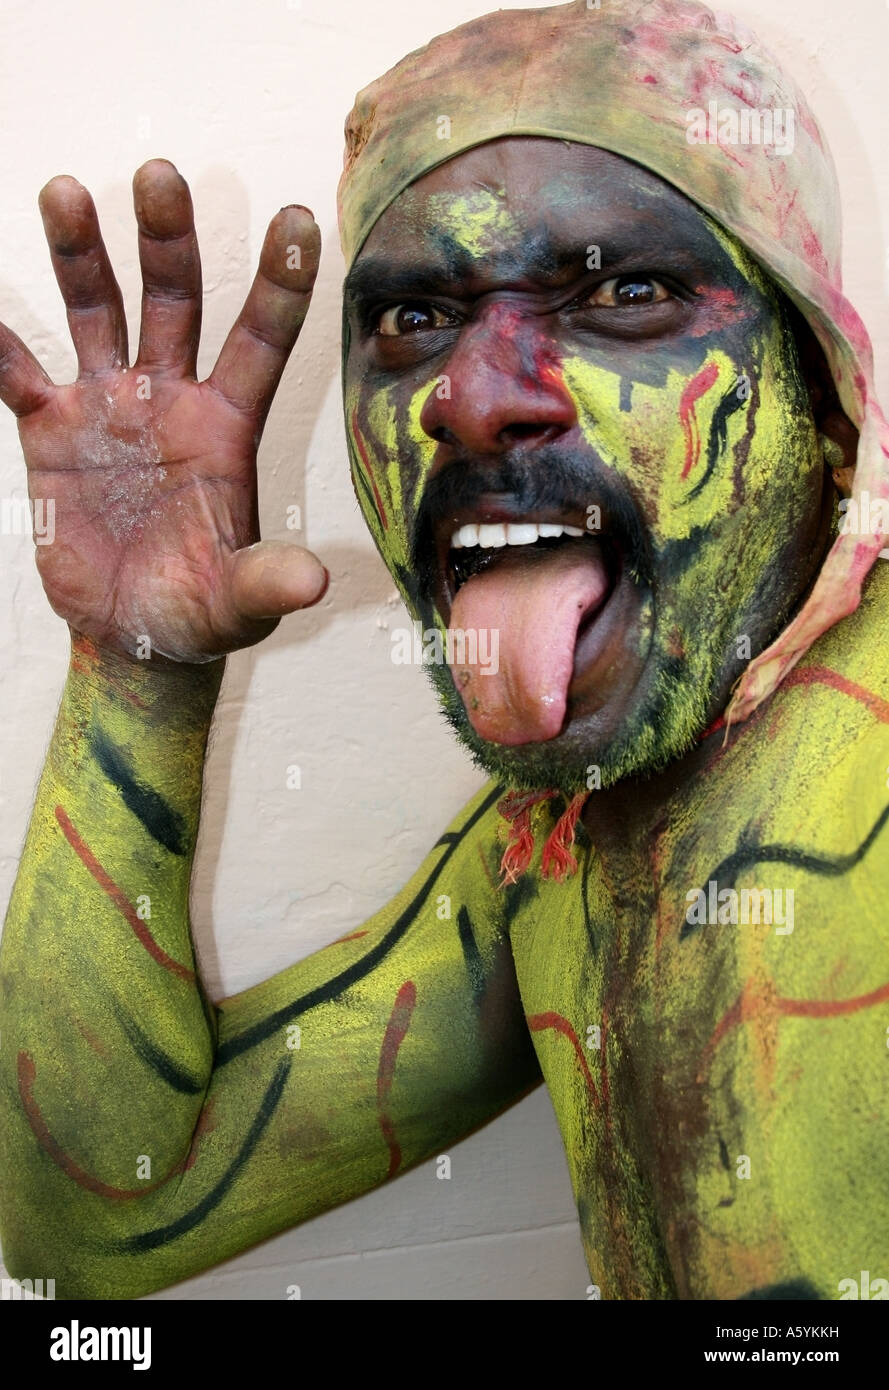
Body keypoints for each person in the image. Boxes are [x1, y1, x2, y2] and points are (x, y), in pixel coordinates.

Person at [1, 0, 887, 1301]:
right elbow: (96, 1219)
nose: (469, 396)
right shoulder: (548, 850)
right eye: (413, 320)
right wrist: (137, 676)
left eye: (624, 293)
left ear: (821, 394)